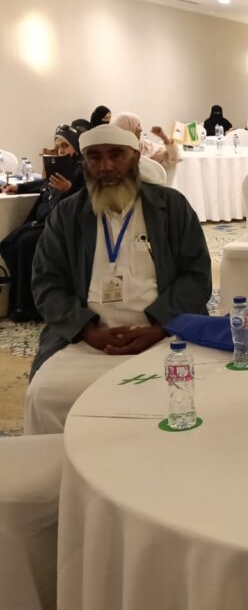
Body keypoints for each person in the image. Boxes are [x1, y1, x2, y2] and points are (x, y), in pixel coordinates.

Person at [24, 124, 211, 435]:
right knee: (44, 395)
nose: (106, 166)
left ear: (135, 158)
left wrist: (160, 326)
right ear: (84, 163)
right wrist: (87, 330)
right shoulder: (67, 214)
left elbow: (197, 275)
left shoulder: (171, 207)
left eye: (116, 155)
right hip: (87, 341)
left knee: (192, 391)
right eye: (94, 157)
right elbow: (46, 283)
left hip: (166, 336)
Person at [1, 125, 86, 321]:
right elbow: (45, 183)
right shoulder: (61, 166)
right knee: (11, 242)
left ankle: (31, 305)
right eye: (58, 147)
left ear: (76, 146)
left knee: (26, 242)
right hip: (47, 220)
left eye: (65, 146)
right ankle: (19, 302)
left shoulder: (82, 168)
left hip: (67, 225)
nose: (61, 151)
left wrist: (69, 189)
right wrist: (19, 188)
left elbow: (87, 198)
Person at [111, 112, 180, 172]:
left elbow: (174, 157)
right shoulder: (112, 153)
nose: (141, 129)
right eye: (137, 125)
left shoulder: (145, 146)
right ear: (128, 129)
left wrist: (163, 137)